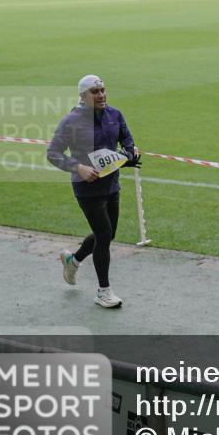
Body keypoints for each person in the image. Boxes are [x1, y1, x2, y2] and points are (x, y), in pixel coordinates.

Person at [47, 75, 140, 309]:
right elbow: (53, 153)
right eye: (95, 92)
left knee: (107, 235)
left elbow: (127, 140)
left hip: (111, 185)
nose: (101, 95)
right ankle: (103, 292)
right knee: (104, 235)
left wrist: (130, 153)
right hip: (86, 188)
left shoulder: (115, 115)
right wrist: (78, 167)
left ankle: (73, 260)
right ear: (83, 96)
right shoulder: (71, 121)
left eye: (103, 90)